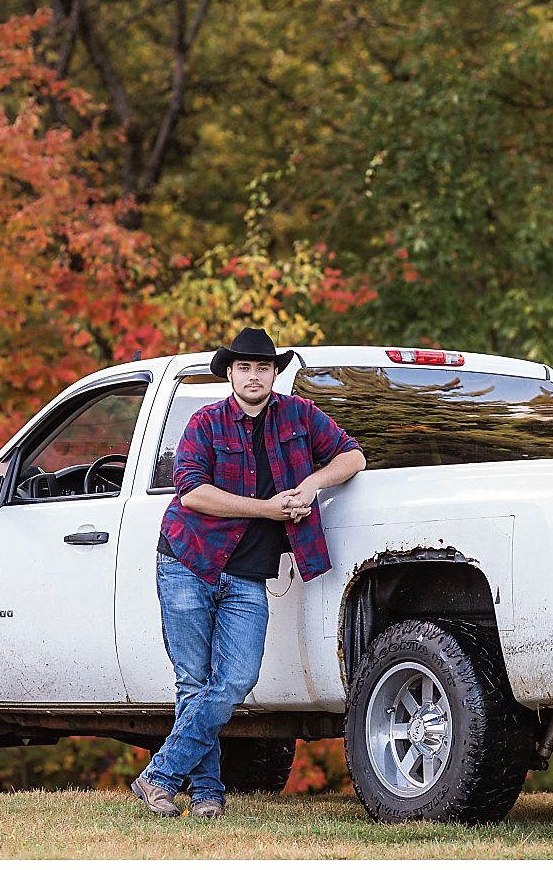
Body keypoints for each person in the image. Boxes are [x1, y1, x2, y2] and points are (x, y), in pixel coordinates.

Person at [132, 327, 366, 818]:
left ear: (274, 373)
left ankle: (159, 775)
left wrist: (310, 486)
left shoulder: (301, 415)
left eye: (263, 367)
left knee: (237, 678)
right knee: (193, 682)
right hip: (187, 560)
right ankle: (207, 796)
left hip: (245, 577)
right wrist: (267, 509)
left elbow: (353, 454)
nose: (254, 375)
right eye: (245, 367)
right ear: (231, 374)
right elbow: (192, 492)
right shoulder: (205, 421)